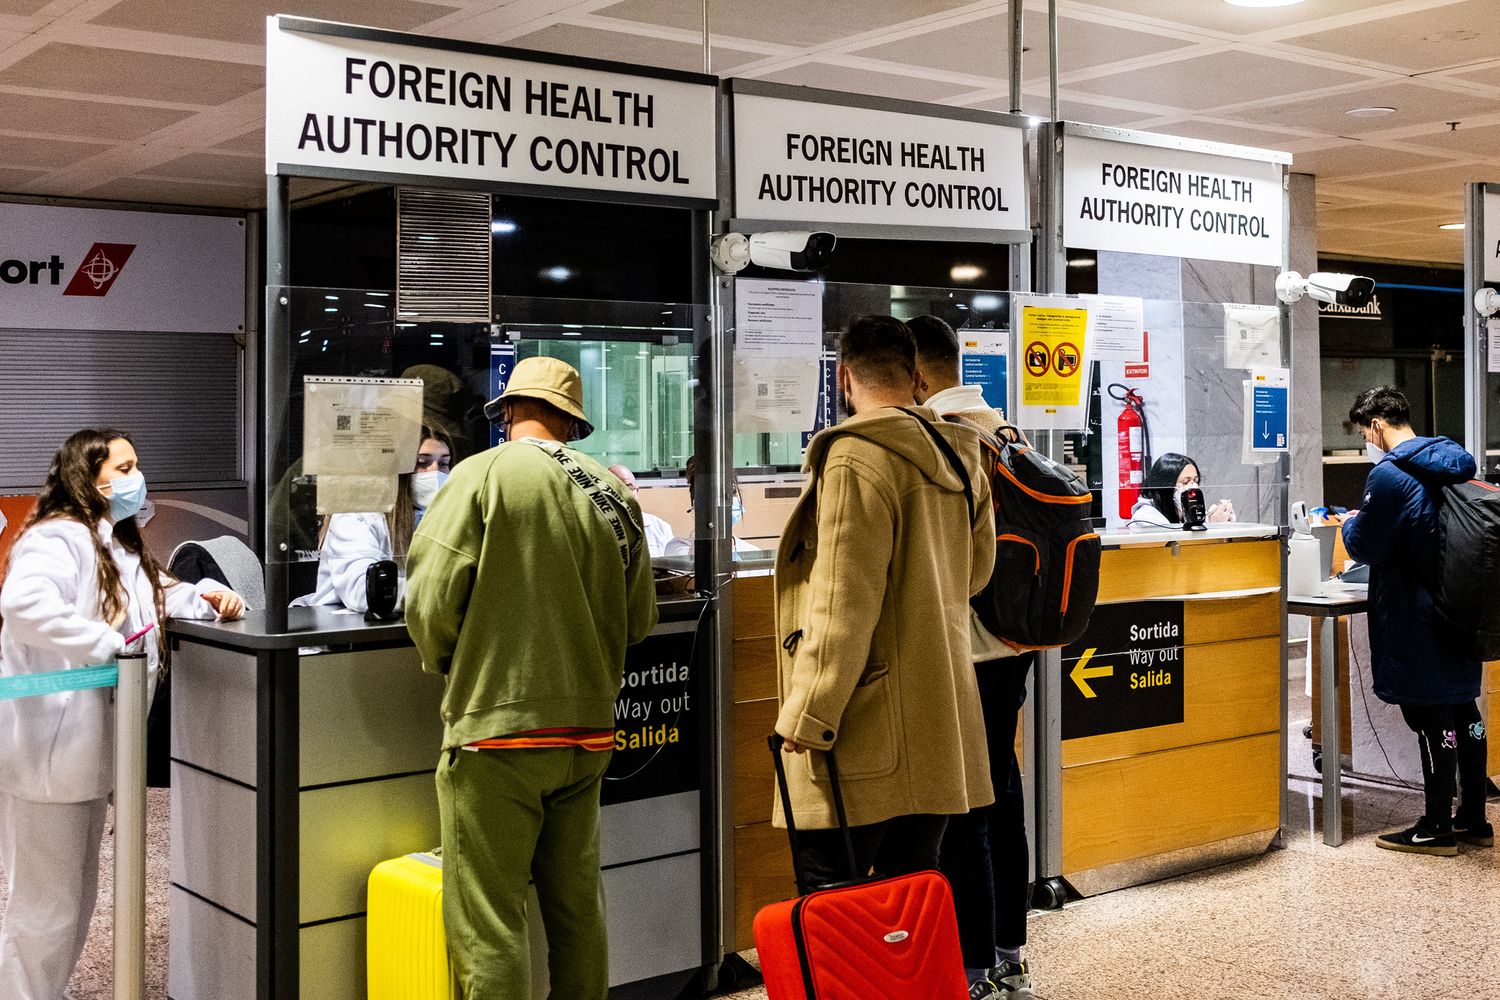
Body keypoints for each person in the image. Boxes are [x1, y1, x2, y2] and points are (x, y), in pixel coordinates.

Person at [404, 356, 658, 999]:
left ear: (510, 412)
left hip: (498, 733)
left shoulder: (481, 473)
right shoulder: (613, 491)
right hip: (590, 736)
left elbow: (429, 600)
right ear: (571, 424)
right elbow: (639, 621)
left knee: (489, 925)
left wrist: (449, 662)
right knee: (577, 913)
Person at [0, 428, 245, 1000]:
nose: (138, 478)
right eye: (127, 467)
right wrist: (108, 644)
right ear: (90, 476)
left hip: (86, 754)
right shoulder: (58, 537)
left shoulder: (116, 543)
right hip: (48, 754)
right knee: (44, 909)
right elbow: (24, 604)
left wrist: (205, 594)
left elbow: (154, 597)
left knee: (71, 903)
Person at [773, 314, 997, 889]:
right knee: (910, 904)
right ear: (918, 376)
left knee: (831, 904)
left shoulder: (855, 459)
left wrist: (808, 712)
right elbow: (977, 574)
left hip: (861, 729)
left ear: (843, 377)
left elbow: (842, 602)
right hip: (940, 719)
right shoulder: (960, 452)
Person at [909, 314, 1036, 999]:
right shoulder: (1006, 429)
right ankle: (1010, 950)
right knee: (1003, 790)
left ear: (918, 374)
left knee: (968, 804)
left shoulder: (940, 437)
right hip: (1015, 642)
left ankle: (975, 970)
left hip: (968, 643)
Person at [1340, 386, 1491, 856]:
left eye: (1366, 432)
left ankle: (1434, 826)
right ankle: (1473, 819)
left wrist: (1348, 522)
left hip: (1415, 613)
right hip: (1460, 606)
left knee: (1429, 720)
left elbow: (1365, 543)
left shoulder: (1391, 474)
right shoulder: (1449, 459)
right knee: (1465, 711)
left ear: (1378, 425)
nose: (1368, 440)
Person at [294, 428, 451, 612]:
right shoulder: (359, 514)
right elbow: (364, 592)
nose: (434, 472)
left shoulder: (440, 517)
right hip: (347, 635)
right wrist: (447, 593)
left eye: (443, 464)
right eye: (421, 463)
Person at [663, 454, 759, 558]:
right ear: (697, 504)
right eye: (714, 494)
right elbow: (698, 566)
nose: (727, 499)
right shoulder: (678, 549)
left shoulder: (752, 553)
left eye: (733, 491)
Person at [1132, 453, 1236, 527]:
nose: (1193, 487)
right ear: (1165, 486)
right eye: (1186, 482)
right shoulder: (1146, 518)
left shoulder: (1185, 511)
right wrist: (1212, 525)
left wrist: (1214, 520)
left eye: (1195, 481)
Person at [607, 464, 674, 558]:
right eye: (614, 488)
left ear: (637, 491)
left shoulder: (660, 528)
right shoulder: (595, 529)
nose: (622, 493)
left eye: (628, 487)